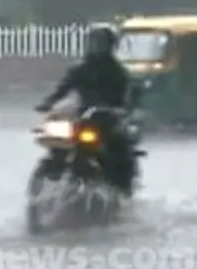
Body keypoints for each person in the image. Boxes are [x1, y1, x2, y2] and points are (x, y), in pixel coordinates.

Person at [35, 23, 137, 195]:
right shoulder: (80, 68)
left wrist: (119, 109)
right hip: (83, 115)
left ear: (110, 45)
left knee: (118, 150)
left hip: (108, 118)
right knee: (58, 143)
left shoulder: (118, 72)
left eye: (101, 43)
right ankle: (47, 181)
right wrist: (49, 103)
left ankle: (120, 188)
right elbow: (64, 88)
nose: (97, 46)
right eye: (94, 42)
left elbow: (124, 99)